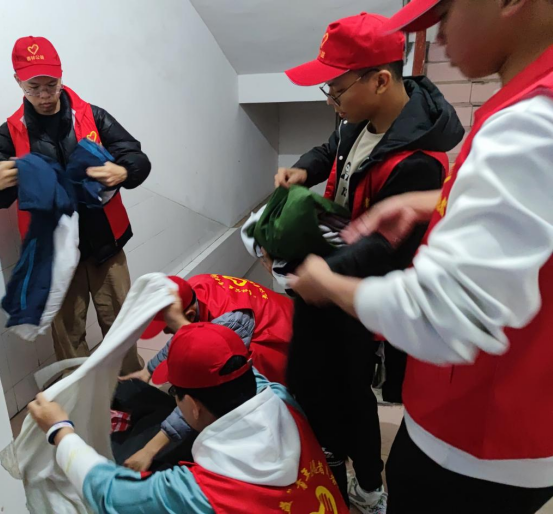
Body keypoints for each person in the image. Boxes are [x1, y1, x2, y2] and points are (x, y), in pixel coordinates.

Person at [290, 0, 554, 512]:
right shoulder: (524, 106)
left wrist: (326, 283)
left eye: (445, 13)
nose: (437, 39)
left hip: (480, 436)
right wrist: (435, 202)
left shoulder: (531, 121)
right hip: (483, 413)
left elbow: (441, 314)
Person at [277, 12, 464, 513]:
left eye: (336, 90)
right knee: (315, 380)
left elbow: (388, 248)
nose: (332, 102)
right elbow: (329, 149)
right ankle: (327, 459)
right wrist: (304, 169)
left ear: (380, 80)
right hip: (333, 268)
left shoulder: (420, 161)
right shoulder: (357, 123)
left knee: (351, 390)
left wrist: (325, 276)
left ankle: (366, 484)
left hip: (362, 290)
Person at [28, 323, 349, 514]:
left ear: (193, 406)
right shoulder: (284, 401)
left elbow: (109, 493)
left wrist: (60, 430)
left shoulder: (203, 493)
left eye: (176, 395)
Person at [0, 36, 151, 373]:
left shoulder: (93, 116)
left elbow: (135, 155)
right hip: (54, 253)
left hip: (105, 243)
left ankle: (131, 385)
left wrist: (124, 170)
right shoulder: (11, 133)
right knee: (68, 334)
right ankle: (80, 393)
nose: (44, 95)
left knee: (122, 324)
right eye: (33, 87)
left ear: (61, 77)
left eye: (51, 85)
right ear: (18, 82)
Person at [119, 275, 294, 472]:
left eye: (167, 327)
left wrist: (150, 449)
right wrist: (147, 371)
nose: (167, 332)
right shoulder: (189, 291)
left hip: (285, 339)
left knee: (232, 391)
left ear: (190, 314)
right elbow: (184, 334)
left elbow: (206, 394)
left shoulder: (229, 324)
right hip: (268, 319)